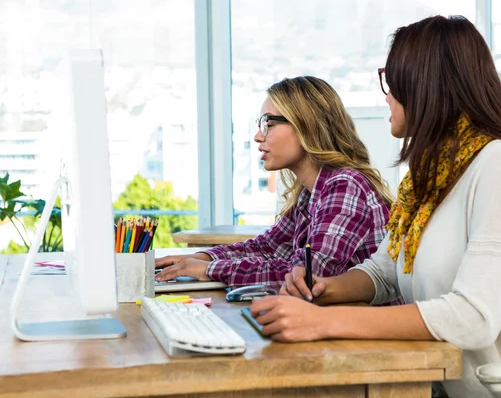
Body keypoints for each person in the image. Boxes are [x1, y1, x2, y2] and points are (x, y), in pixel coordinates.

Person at [250, 16, 501, 398]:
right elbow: (386, 269)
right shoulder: (429, 175)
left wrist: (324, 323)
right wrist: (324, 290)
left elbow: (473, 317)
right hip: (444, 384)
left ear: (425, 84)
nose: (387, 94)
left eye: (392, 80)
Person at [155, 76, 393, 288]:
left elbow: (306, 277)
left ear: (305, 126)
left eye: (268, 125)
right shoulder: (311, 193)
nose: (258, 136)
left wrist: (209, 270)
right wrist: (204, 258)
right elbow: (266, 248)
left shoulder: (345, 186)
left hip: (368, 332)